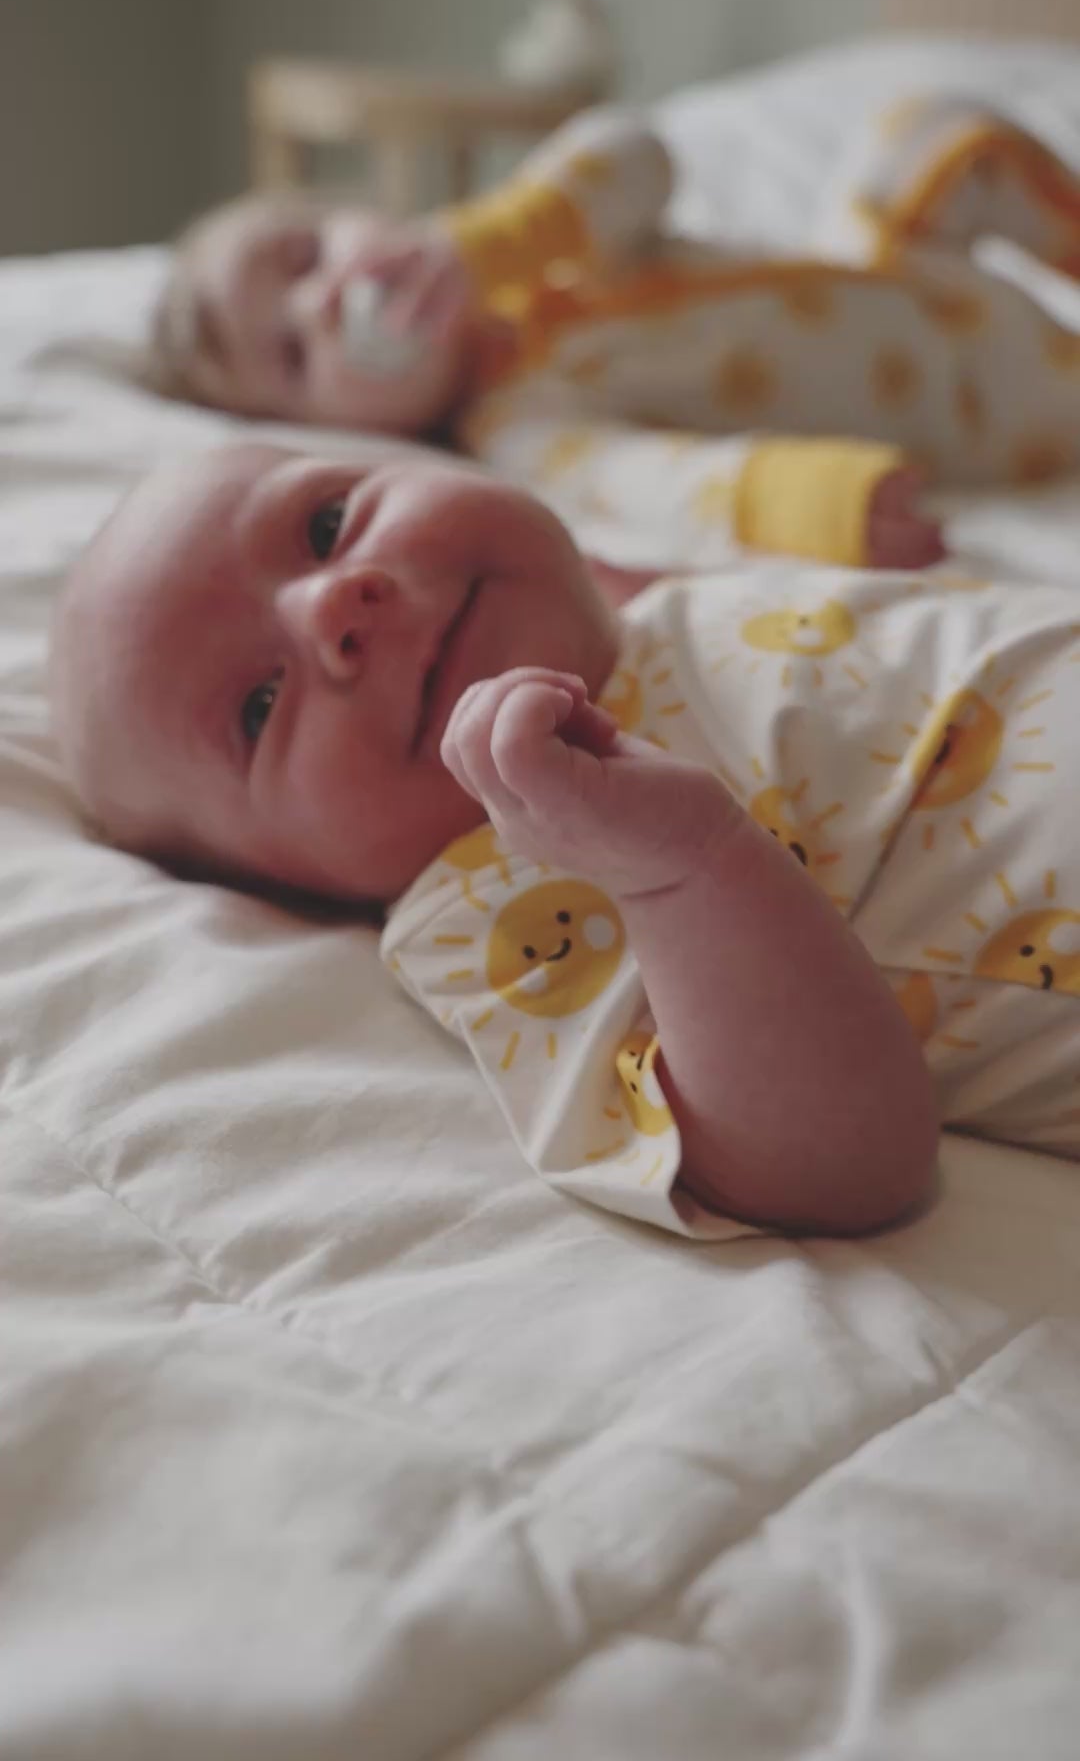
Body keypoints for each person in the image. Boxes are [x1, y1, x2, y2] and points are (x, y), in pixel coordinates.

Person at [50, 440, 1080, 1243]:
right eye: (261, 707)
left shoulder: (657, 605)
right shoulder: (490, 900)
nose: (331, 604)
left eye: (327, 523)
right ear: (294, 885)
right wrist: (683, 870)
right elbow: (841, 1163)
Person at [150, 93, 1080, 576]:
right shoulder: (519, 425)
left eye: (308, 252)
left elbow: (637, 154)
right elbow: (656, 484)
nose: (321, 301)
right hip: (966, 399)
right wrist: (813, 503)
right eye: (294, 356)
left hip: (888, 261)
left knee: (932, 135)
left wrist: (489, 241)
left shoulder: (540, 237)